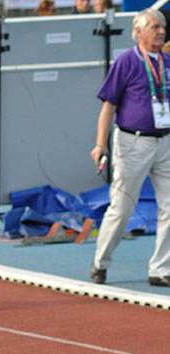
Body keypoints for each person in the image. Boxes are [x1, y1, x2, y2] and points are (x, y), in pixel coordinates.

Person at [89, 8, 170, 287]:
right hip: (132, 142)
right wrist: (101, 143)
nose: (161, 31)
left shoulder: (168, 62)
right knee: (122, 208)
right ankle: (100, 262)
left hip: (166, 142)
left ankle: (160, 268)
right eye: (155, 27)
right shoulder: (126, 62)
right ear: (139, 32)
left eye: (162, 27)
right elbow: (108, 106)